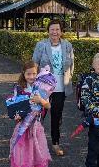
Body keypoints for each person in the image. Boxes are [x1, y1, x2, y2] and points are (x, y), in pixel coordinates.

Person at [32, 19, 74, 156]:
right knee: (39, 115)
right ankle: (35, 143)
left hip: (61, 87)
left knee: (57, 116)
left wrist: (69, 79)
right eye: (52, 29)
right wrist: (33, 84)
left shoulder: (67, 45)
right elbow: (34, 64)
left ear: (61, 31)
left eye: (57, 29)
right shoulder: (41, 45)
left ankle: (55, 143)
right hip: (44, 88)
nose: (55, 32)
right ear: (48, 31)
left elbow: (71, 65)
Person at [9, 61, 52, 167]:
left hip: (36, 126)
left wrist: (41, 101)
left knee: (36, 150)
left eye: (34, 73)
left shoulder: (42, 88)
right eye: (29, 74)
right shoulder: (18, 88)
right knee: (25, 150)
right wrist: (15, 116)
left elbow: (48, 106)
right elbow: (13, 106)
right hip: (23, 125)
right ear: (24, 73)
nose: (32, 76)